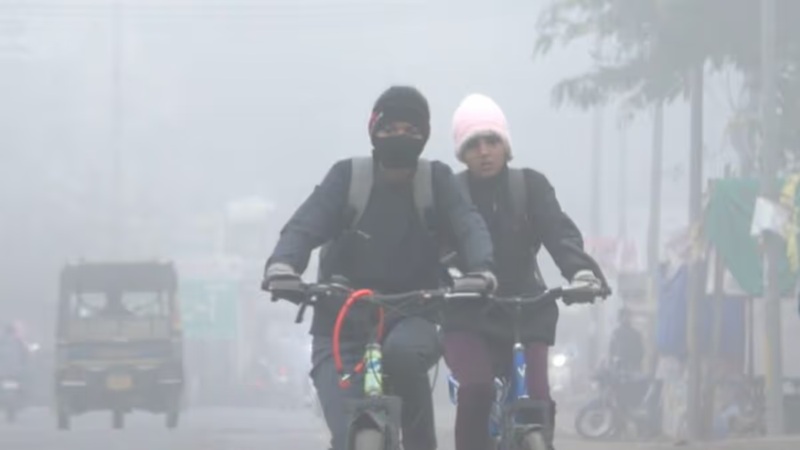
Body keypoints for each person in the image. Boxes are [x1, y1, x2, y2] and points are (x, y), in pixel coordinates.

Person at [262, 85, 497, 450]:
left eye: (410, 130)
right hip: (340, 324)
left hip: (415, 316)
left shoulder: (437, 181)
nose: (399, 137)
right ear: (373, 132)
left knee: (403, 356)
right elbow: (305, 226)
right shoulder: (346, 178)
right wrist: (282, 266)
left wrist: (481, 270)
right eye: (390, 130)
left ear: (424, 136)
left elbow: (469, 225)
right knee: (347, 435)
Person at [441, 93, 608, 450]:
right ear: (461, 152)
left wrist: (580, 273)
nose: (484, 151)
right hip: (468, 311)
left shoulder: (530, 185)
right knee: (476, 390)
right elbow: (435, 247)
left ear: (506, 144)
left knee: (539, 401)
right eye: (473, 144)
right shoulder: (450, 193)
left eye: (492, 141)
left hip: (526, 309)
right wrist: (450, 275)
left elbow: (558, 232)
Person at [608, 308, 645, 373]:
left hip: (632, 366)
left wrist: (636, 364)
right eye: (624, 316)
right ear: (620, 318)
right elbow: (612, 350)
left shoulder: (635, 334)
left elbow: (640, 351)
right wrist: (612, 362)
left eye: (628, 316)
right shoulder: (616, 333)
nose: (626, 318)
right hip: (619, 366)